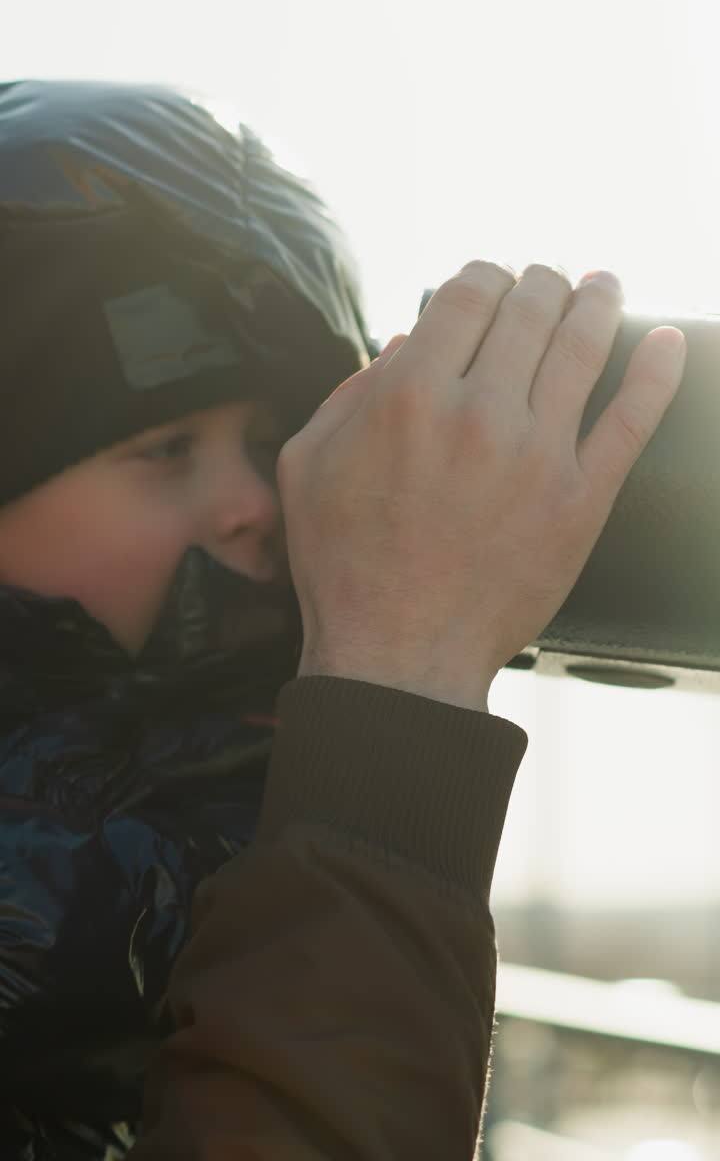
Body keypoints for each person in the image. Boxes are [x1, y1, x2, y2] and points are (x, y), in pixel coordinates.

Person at [0, 81, 686, 1160]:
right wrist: (397, 695)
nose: (257, 502)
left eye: (274, 439)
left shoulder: (178, 812)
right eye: (165, 448)